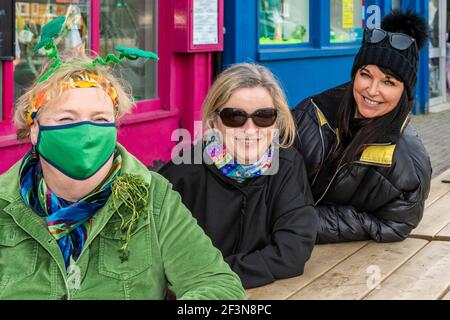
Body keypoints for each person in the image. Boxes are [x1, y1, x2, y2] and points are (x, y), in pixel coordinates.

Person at [0, 16, 246, 300]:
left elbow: (220, 288)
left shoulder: (155, 196)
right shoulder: (5, 204)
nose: (86, 133)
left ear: (115, 127)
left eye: (99, 119)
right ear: (34, 129)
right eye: (67, 118)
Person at [160, 63, 318, 289]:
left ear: (276, 122)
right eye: (235, 117)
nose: (250, 129)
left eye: (264, 116)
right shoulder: (183, 173)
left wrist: (215, 274)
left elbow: (292, 250)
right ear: (215, 122)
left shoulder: (287, 165)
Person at [292, 10, 432, 243]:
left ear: (404, 92)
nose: (372, 90)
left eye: (388, 82)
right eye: (366, 75)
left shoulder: (408, 161)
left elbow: (396, 225)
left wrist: (306, 221)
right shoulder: (312, 112)